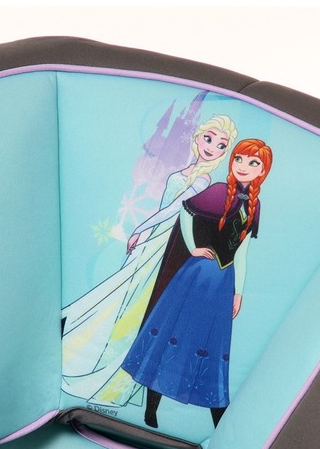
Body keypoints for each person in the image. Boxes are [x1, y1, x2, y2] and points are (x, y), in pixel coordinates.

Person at [61, 115, 238, 406]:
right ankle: (90, 360)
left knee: (138, 307)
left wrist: (140, 228)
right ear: (197, 138)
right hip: (155, 240)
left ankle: (114, 385)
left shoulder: (203, 180)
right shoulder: (187, 172)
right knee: (124, 299)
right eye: (208, 138)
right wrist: (145, 234)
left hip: (169, 248)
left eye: (220, 145)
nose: (211, 147)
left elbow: (173, 210)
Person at [120, 138, 273, 428]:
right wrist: (193, 247)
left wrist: (239, 292)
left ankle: (220, 424)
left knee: (212, 344)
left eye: (253, 163)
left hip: (223, 282)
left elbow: (242, 252)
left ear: (262, 171)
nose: (243, 166)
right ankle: (151, 410)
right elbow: (185, 211)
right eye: (239, 159)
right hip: (197, 275)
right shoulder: (218, 191)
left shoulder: (255, 205)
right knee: (173, 333)